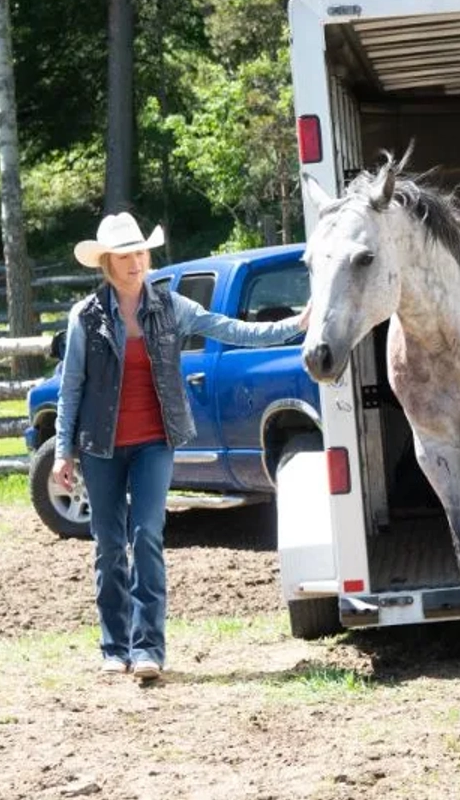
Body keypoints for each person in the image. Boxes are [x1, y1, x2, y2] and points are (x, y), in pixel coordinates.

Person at [49, 212, 307, 684]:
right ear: (107, 262)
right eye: (125, 256)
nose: (135, 262)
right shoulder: (85, 316)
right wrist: (63, 452)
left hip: (154, 441)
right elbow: (70, 389)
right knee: (109, 546)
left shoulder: (171, 306)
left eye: (141, 253)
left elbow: (232, 329)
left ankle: (148, 648)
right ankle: (115, 646)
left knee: (146, 535)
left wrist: (294, 325)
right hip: (99, 448)